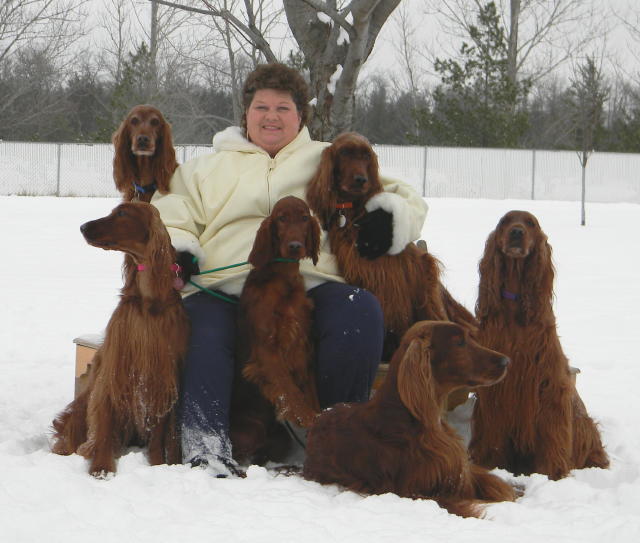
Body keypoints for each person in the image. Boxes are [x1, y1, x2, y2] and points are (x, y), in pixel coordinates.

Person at [151, 63, 428, 476]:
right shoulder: (204, 168)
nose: (271, 116)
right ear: (245, 114)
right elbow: (170, 215)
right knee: (203, 329)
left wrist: (388, 217)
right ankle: (206, 445)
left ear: (301, 116)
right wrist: (182, 251)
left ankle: (339, 436)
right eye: (261, 107)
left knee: (359, 309)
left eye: (283, 107)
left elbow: (403, 195)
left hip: (311, 283)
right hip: (224, 287)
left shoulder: (327, 158)